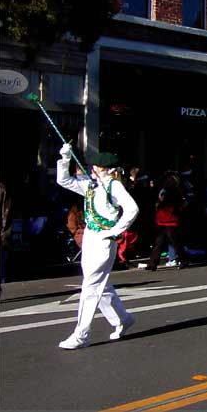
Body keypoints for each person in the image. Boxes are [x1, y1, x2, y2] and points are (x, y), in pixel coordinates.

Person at [56, 145, 139, 349]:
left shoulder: (114, 186)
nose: (93, 169)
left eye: (98, 167)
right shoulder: (91, 186)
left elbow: (132, 209)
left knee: (91, 286)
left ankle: (81, 334)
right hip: (90, 239)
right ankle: (123, 319)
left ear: (109, 170)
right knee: (100, 284)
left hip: (103, 241)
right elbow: (63, 180)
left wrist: (115, 231)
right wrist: (65, 157)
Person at [146, 172, 189, 270]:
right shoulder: (175, 190)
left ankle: (153, 263)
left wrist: (160, 204)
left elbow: (165, 203)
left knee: (163, 242)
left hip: (166, 218)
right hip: (169, 218)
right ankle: (183, 260)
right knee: (172, 242)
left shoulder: (167, 191)